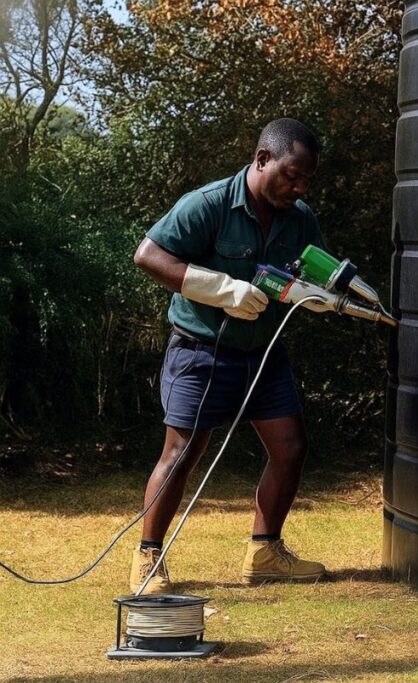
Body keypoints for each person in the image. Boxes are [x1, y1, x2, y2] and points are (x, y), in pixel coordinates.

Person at [129, 118, 331, 594]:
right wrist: (219, 288)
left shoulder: (300, 218)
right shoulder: (209, 204)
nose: (299, 188)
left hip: (264, 354)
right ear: (262, 159)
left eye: (306, 180)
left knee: (291, 448)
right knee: (181, 454)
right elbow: (149, 256)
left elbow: (320, 271)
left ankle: (264, 552)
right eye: (291, 175)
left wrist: (328, 294)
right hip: (201, 350)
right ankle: (148, 560)